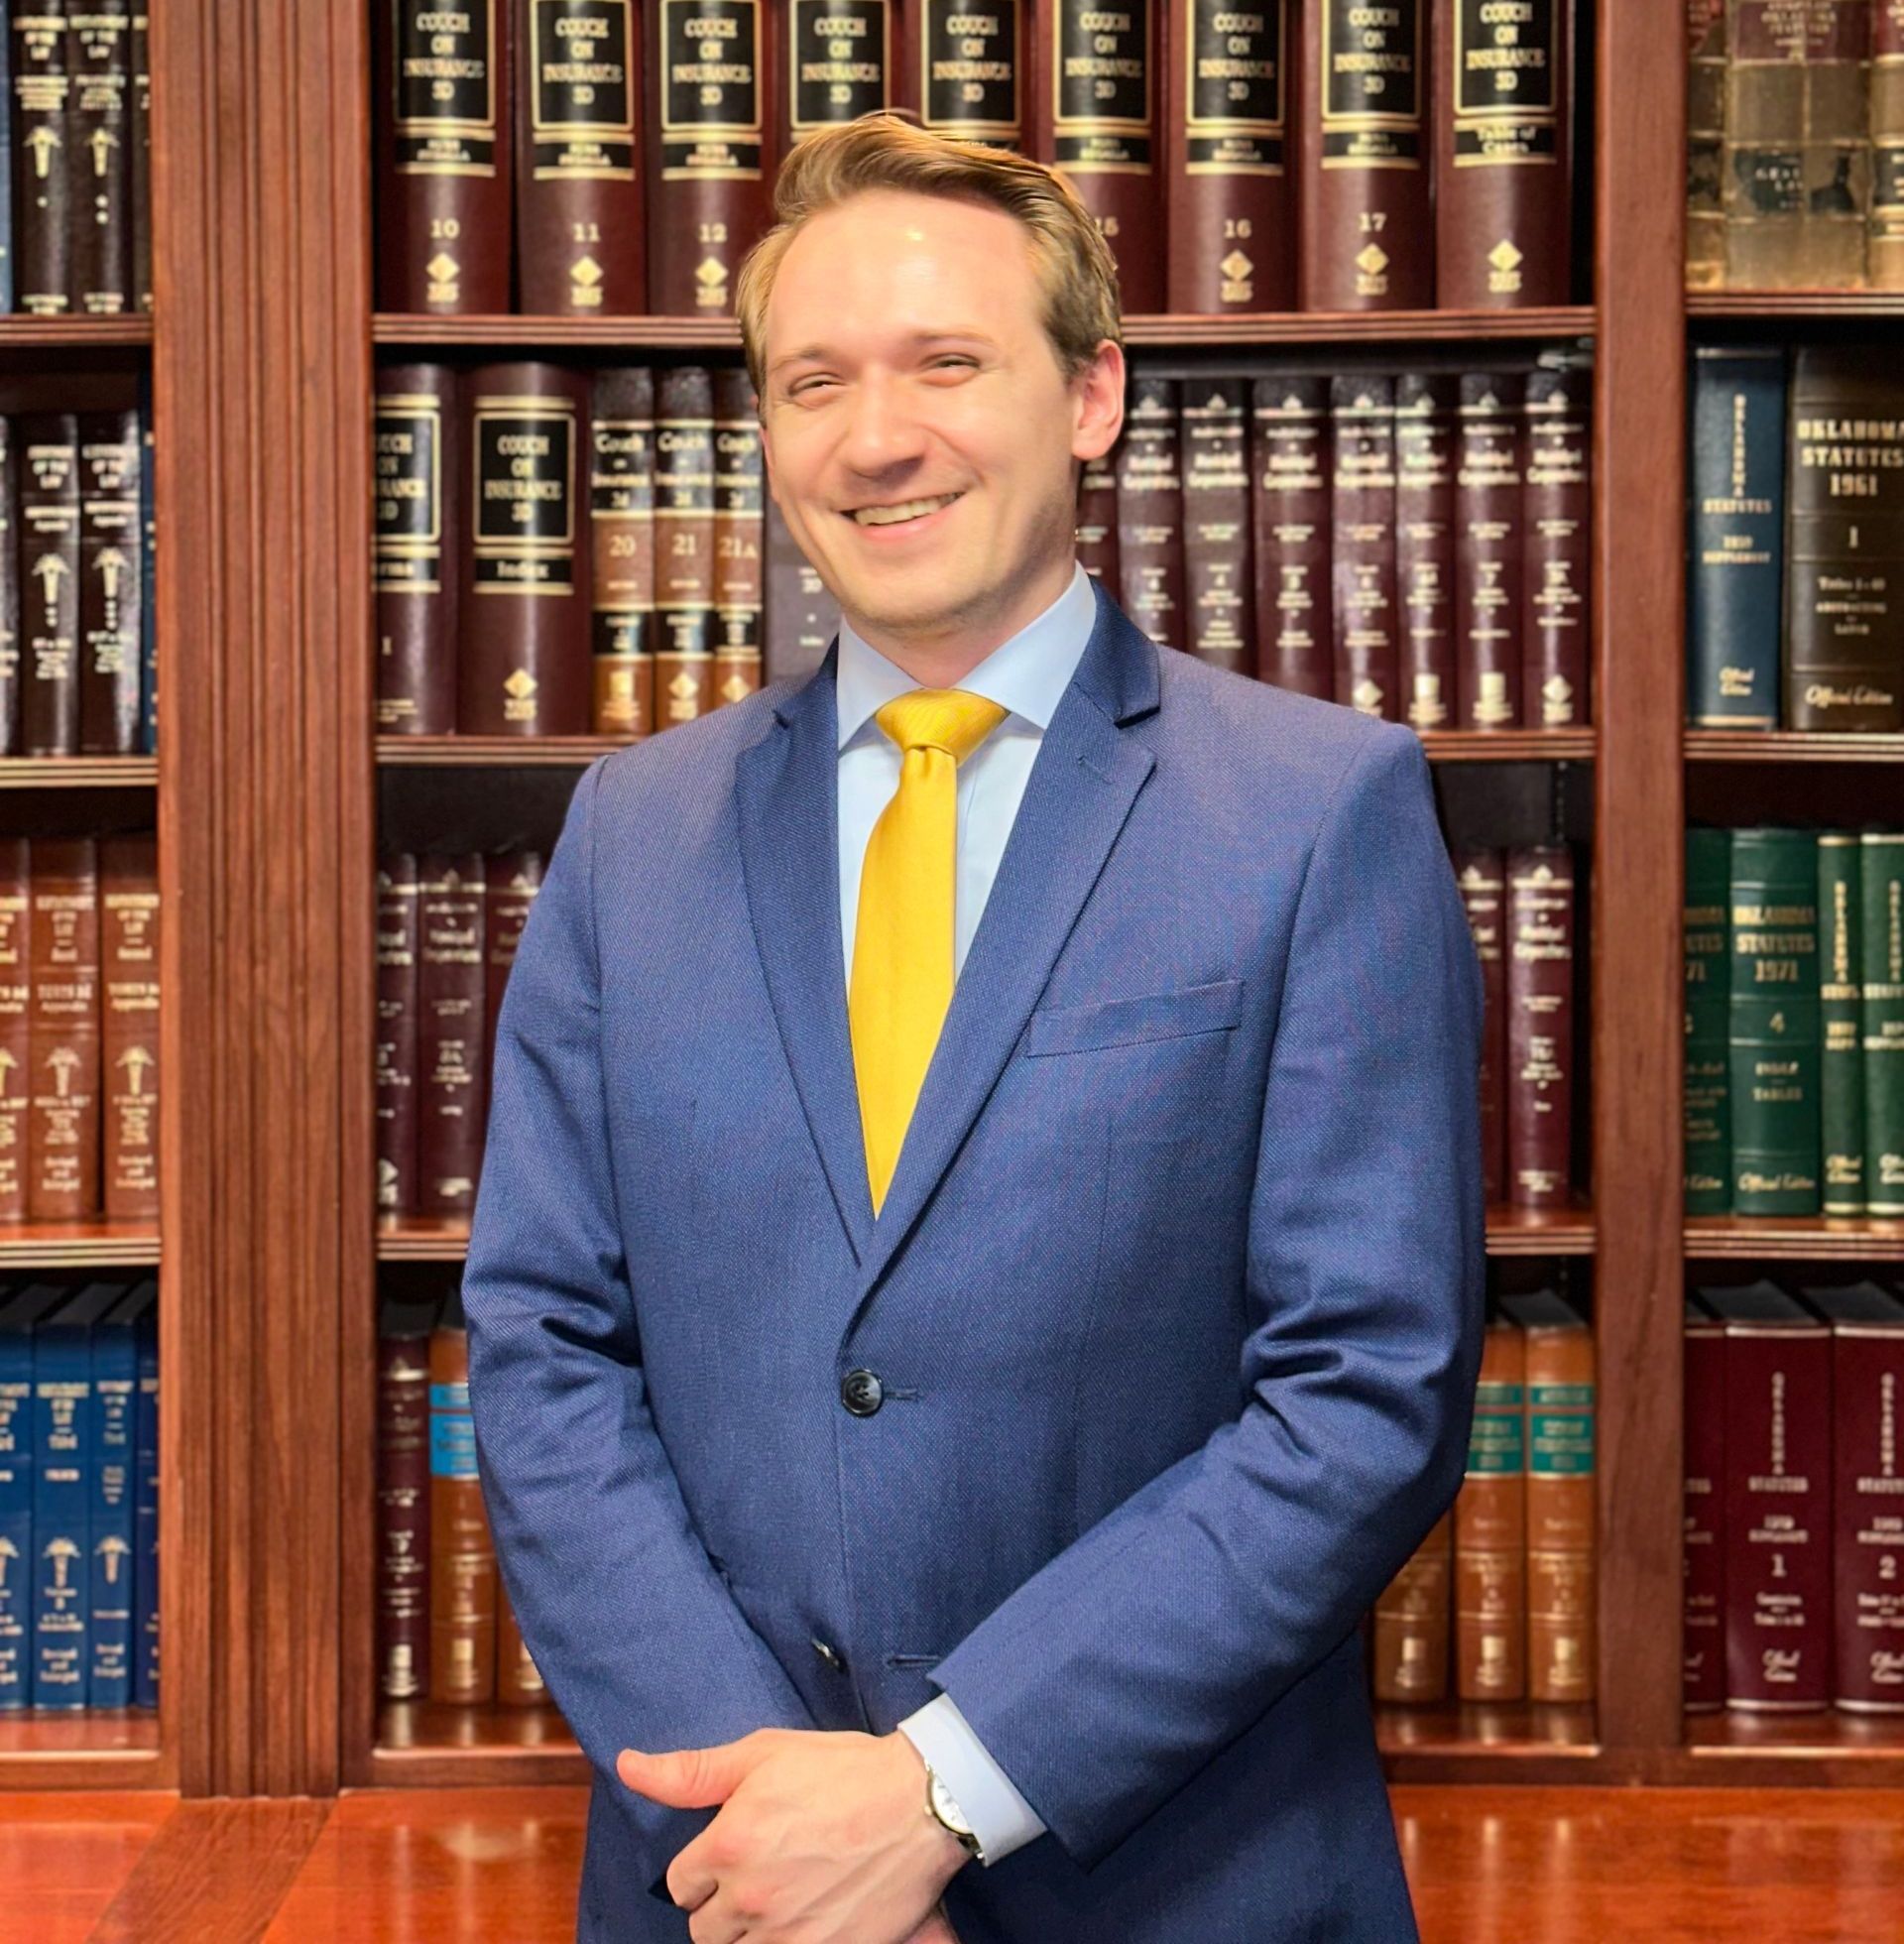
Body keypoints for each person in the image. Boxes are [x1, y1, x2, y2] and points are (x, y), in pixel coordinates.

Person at [463, 113, 1484, 1944]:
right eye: (813, 381)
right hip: (725, 1883)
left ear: (1091, 395)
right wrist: (772, 1823)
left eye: (948, 363)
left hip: (1180, 1880)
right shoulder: (632, 829)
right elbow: (544, 1351)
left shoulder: (1317, 810)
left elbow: (1364, 1393)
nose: (877, 437)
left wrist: (940, 1792)